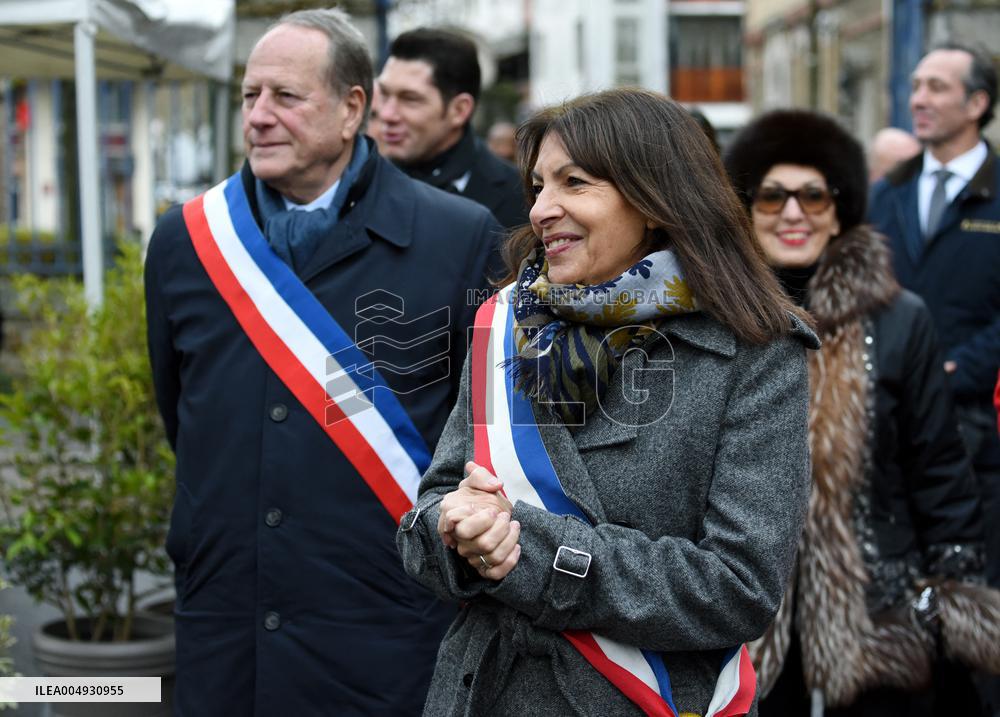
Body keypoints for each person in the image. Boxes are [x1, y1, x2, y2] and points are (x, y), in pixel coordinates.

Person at [397, 88, 820, 716]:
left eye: (575, 182)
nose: (542, 209)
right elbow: (429, 512)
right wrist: (457, 532)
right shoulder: (504, 324)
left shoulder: (757, 350)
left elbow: (739, 588)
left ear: (653, 200)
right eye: (538, 186)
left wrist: (527, 549)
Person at [144, 9, 500, 715]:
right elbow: (182, 409)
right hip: (228, 627)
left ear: (351, 109)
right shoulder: (186, 241)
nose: (260, 117)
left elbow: (485, 427)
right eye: (250, 96)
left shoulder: (458, 236)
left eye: (286, 97)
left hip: (385, 629)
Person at [726, 108, 1000, 716]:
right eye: (772, 196)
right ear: (745, 207)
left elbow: (939, 470)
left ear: (840, 205)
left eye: (812, 195)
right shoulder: (716, 318)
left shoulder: (901, 319)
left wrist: (951, 596)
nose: (793, 213)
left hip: (876, 607)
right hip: (739, 608)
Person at [868, 43, 1000, 595]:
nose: (918, 99)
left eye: (937, 88)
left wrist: (956, 370)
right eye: (916, 85)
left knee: (973, 594)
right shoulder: (885, 194)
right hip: (890, 427)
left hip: (976, 428)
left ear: (977, 103)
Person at [376, 27, 528, 230]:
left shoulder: (523, 202)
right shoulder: (357, 189)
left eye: (409, 99)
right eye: (384, 94)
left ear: (459, 110)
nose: (387, 114)